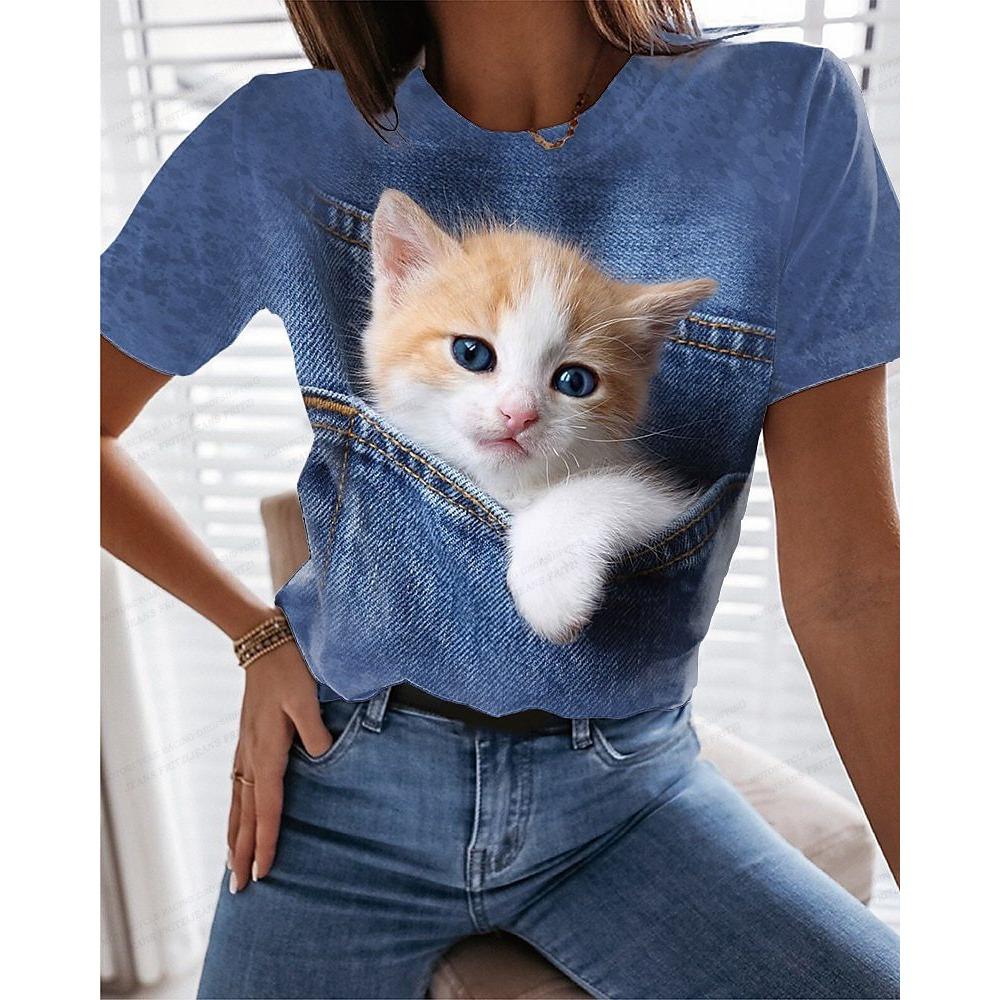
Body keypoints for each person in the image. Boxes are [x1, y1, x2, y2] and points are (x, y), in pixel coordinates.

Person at [100, 2, 900, 997]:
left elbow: (854, 589)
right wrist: (257, 634)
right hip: (344, 786)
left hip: (629, 795)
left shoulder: (785, 118)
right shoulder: (279, 139)